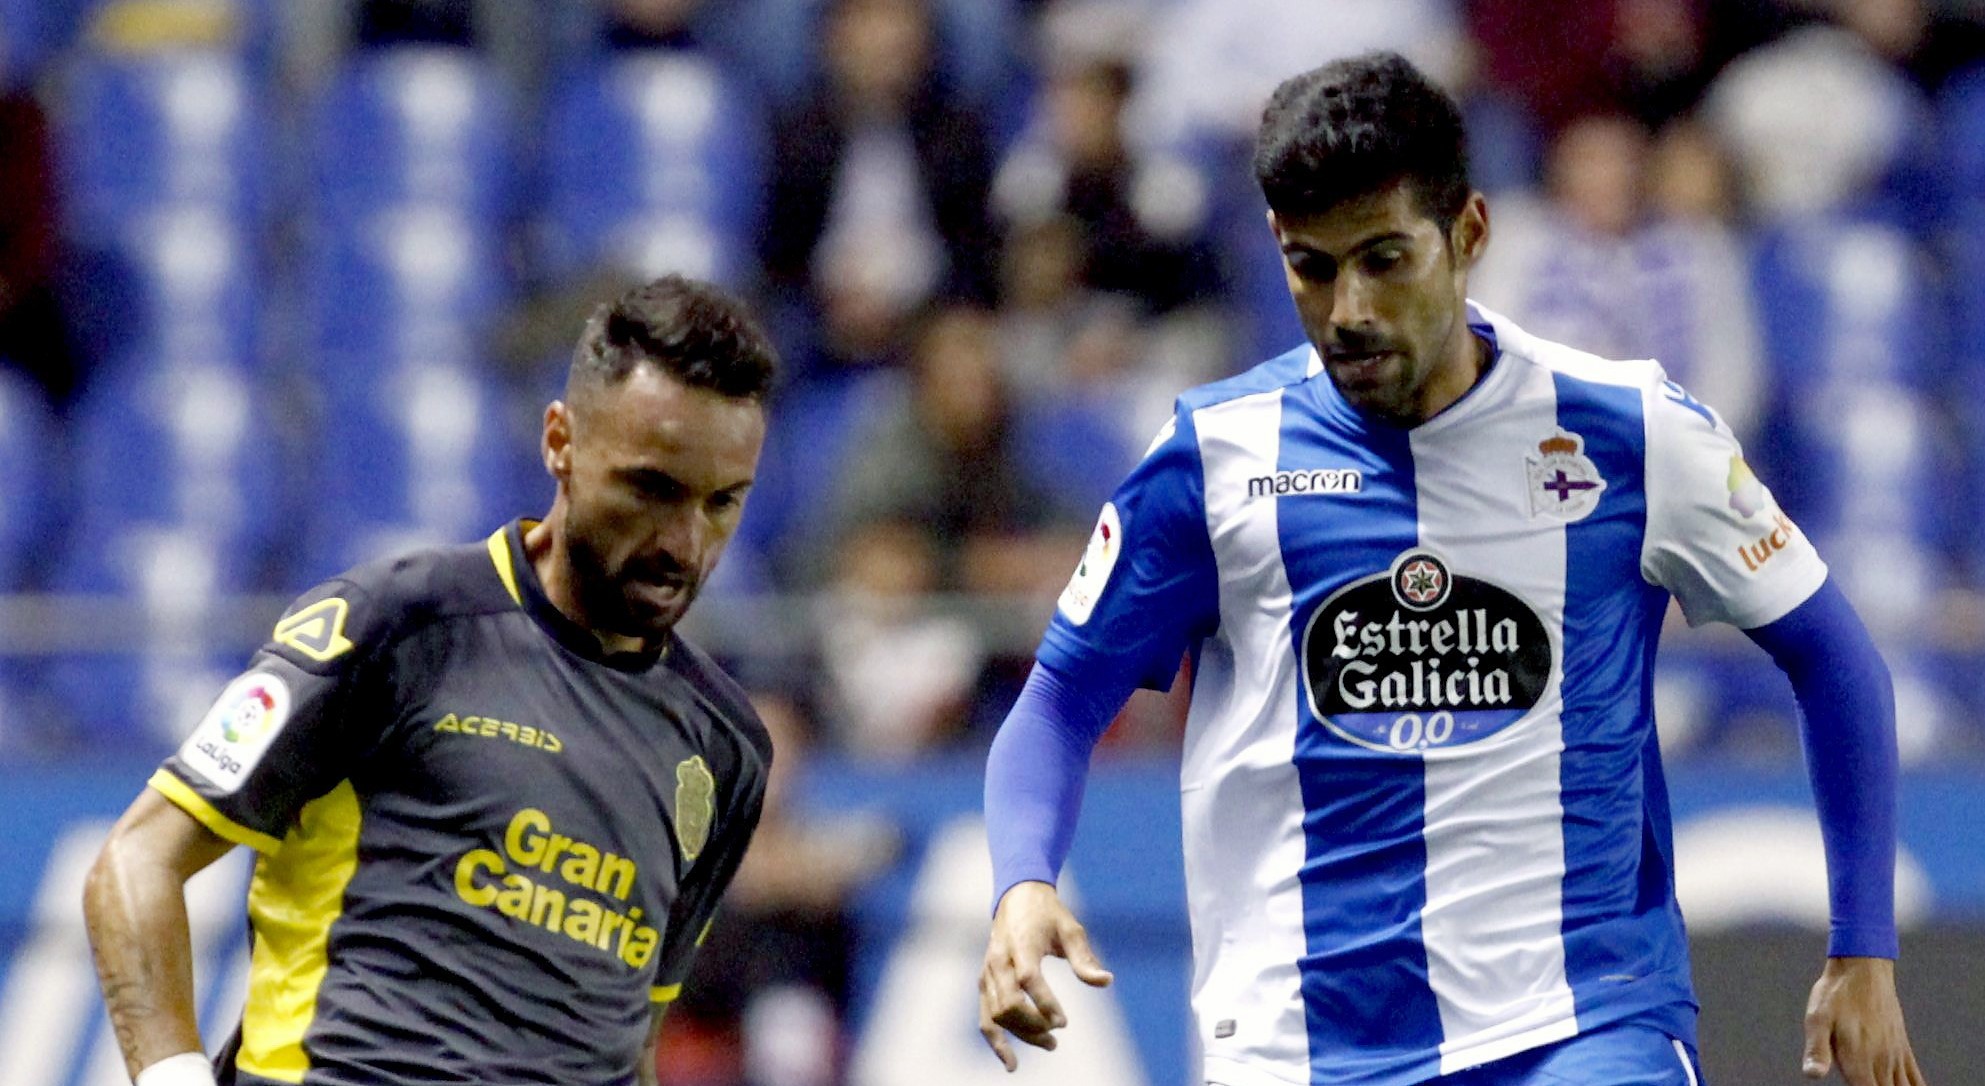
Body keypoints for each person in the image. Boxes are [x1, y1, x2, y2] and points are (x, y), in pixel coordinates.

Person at [979, 53, 1925, 1086]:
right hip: (1298, 1044)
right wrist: (1022, 882)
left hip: (1579, 1022)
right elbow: (1060, 697)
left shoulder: (1628, 432)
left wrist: (1861, 947)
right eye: (1311, 267)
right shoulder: (1212, 459)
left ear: (1468, 233)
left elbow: (1832, 658)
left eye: (1384, 259)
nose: (1347, 308)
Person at [82, 276, 779, 1086]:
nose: (684, 544)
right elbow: (137, 860)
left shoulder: (723, 750)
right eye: (652, 489)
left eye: (722, 503)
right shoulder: (397, 627)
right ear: (560, 441)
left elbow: (632, 1044)